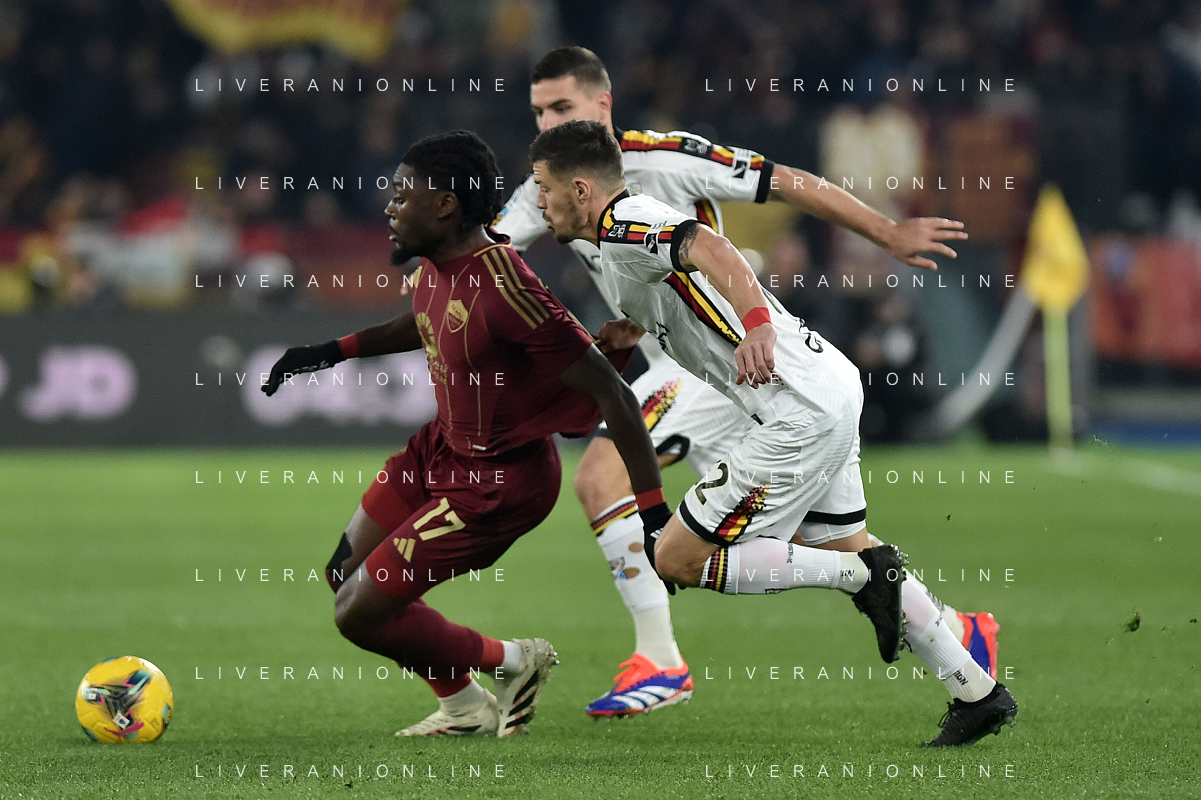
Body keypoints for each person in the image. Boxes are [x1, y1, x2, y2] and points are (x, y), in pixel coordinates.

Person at [492, 46, 1000, 717]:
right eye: (538, 111)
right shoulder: (552, 186)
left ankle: (661, 659)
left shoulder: (659, 164)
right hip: (747, 369)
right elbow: (489, 253)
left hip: (735, 367)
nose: (547, 122)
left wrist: (884, 232)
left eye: (561, 106)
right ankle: (961, 645)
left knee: (608, 483)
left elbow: (779, 185)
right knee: (830, 540)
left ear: (601, 104)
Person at [261, 130, 672, 738]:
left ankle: (513, 660)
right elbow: (425, 318)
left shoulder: (507, 286)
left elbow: (614, 394)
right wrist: (329, 351)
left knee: (356, 614)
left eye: (402, 195)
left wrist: (653, 513)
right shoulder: (437, 266)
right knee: (342, 575)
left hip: (496, 484)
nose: (389, 207)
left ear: (445, 205)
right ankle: (464, 706)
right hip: (440, 449)